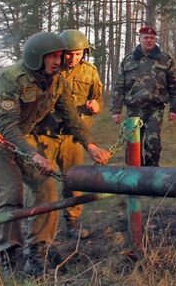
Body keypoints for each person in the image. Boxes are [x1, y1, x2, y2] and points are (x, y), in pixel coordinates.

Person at [0, 31, 111, 276]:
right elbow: (6, 126)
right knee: (12, 191)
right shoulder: (11, 78)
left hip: (23, 136)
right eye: (51, 56)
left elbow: (71, 117)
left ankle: (38, 248)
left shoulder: (57, 80)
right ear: (36, 57)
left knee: (46, 187)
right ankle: (9, 251)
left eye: (59, 56)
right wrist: (35, 154)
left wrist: (91, 145)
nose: (57, 61)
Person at [51, 29, 104, 239]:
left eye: (78, 53)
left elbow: (98, 97)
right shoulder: (52, 69)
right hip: (47, 132)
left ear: (84, 53)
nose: (73, 58)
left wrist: (96, 105)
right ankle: (42, 224)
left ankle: (72, 222)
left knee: (72, 179)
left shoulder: (90, 72)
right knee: (42, 180)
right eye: (69, 53)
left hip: (75, 136)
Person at [111, 26, 176, 167]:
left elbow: (175, 85)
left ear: (155, 40)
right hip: (133, 110)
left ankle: (151, 176)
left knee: (152, 143)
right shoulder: (128, 60)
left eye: (152, 38)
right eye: (146, 38)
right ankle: (134, 179)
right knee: (132, 147)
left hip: (155, 109)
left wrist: (174, 108)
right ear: (140, 39)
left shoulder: (165, 60)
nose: (149, 40)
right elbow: (119, 87)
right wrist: (116, 111)